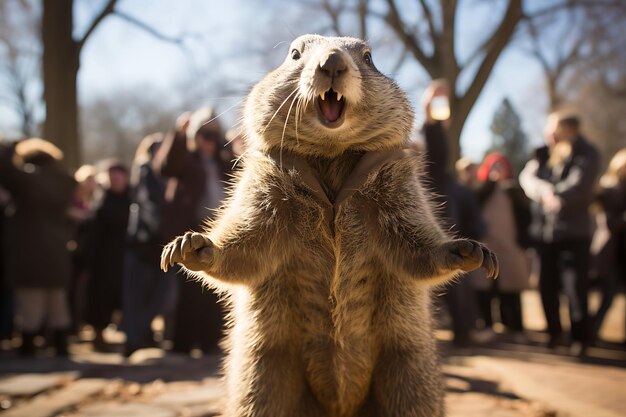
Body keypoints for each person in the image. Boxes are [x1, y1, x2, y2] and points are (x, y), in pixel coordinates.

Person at [153, 107, 232, 354]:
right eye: (204, 135)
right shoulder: (186, 160)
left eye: (213, 135)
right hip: (191, 230)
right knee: (188, 290)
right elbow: (164, 167)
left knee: (214, 290)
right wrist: (178, 134)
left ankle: (210, 342)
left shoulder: (223, 161)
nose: (208, 141)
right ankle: (183, 344)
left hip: (218, 231)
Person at [519, 111, 599, 352]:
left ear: (569, 129)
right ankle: (555, 334)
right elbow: (528, 177)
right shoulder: (544, 154)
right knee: (546, 286)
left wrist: (558, 196)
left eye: (553, 128)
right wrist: (545, 191)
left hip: (574, 234)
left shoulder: (587, 153)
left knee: (576, 289)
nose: (548, 133)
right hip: (546, 233)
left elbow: (581, 185)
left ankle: (580, 338)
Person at [421, 81, 484, 347]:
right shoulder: (431, 173)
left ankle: (463, 331)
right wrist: (429, 111)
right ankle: (461, 331)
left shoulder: (440, 178)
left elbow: (438, 149)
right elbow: (436, 148)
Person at [0, 138, 75, 356]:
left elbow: (6, 171)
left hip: (28, 248)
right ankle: (61, 347)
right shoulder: (64, 180)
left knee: (29, 301)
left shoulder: (27, 178)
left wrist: (9, 147)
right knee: (57, 303)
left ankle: (28, 347)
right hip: (57, 249)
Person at [473, 152, 532, 340]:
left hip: (510, 245)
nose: (497, 170)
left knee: (511, 289)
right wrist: (491, 184)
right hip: (486, 246)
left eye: (501, 166)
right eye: (493, 166)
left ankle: (514, 328)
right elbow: (476, 203)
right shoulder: (481, 189)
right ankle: (487, 325)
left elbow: (526, 216)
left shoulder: (515, 191)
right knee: (485, 289)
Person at [121, 133, 169, 357]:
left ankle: (140, 336)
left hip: (155, 243)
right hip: (143, 243)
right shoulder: (145, 170)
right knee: (137, 295)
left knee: (158, 295)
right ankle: (132, 340)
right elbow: (149, 206)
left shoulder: (162, 174)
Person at [84, 160, 130, 351]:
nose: (116, 180)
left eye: (119, 176)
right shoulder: (101, 202)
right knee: (101, 297)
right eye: (112, 177)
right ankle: (98, 335)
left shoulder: (134, 200)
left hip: (127, 256)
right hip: (103, 259)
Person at [590, 148, 626, 345]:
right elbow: (609, 223)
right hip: (610, 252)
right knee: (608, 297)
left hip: (622, 253)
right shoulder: (609, 189)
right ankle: (591, 334)